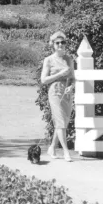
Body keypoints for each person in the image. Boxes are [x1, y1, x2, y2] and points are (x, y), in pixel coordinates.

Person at [40, 31, 76, 162]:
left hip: (67, 92)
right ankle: (66, 152)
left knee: (64, 122)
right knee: (60, 121)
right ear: (53, 45)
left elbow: (72, 78)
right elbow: (44, 80)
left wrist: (71, 86)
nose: (60, 45)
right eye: (57, 43)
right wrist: (60, 73)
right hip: (54, 91)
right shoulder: (48, 60)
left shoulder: (69, 59)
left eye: (63, 42)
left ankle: (52, 148)